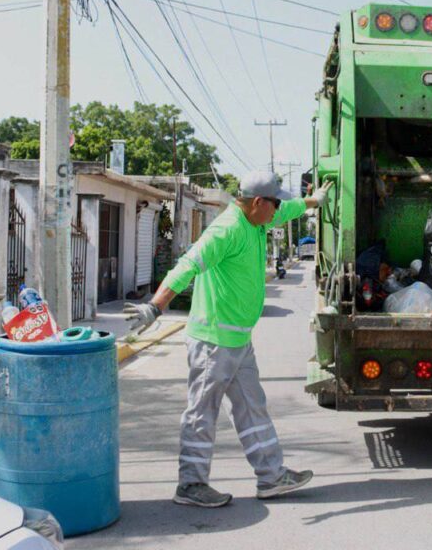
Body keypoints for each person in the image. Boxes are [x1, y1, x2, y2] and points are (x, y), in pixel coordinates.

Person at [125, 172, 333, 508]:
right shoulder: (226, 229)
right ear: (257, 202)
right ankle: (191, 485)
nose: (277, 210)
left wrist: (313, 201)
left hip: (237, 340)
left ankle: (271, 476)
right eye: (273, 203)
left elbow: (291, 208)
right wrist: (154, 307)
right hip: (213, 341)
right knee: (202, 413)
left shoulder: (258, 219)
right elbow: (187, 265)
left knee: (252, 407)